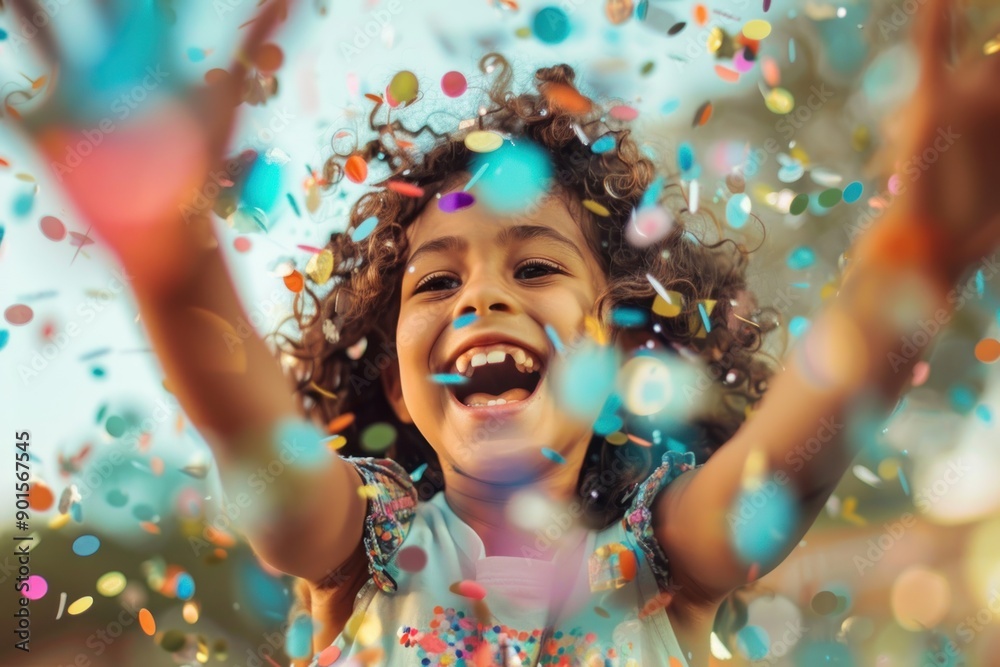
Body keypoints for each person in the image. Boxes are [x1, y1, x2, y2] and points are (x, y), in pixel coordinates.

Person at [4, 0, 1000, 665]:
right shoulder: (363, 547)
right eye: (436, 282)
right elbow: (262, 458)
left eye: (534, 266)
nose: (482, 298)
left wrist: (915, 255)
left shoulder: (662, 556)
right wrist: (181, 272)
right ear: (395, 388)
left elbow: (778, 479)